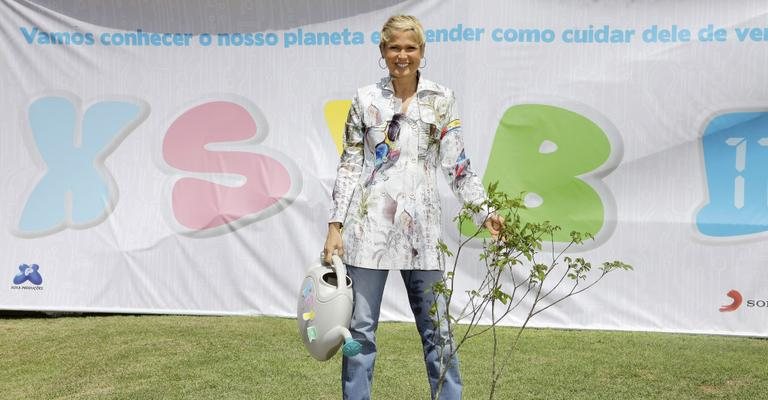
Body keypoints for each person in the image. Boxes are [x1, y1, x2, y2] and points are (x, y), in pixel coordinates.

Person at [323, 14, 503, 400]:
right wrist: (335, 225)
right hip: (367, 229)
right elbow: (350, 165)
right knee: (360, 331)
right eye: (394, 48)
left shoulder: (442, 99)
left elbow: (458, 166)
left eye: (410, 47)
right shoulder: (364, 99)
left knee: (438, 330)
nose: (402, 55)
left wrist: (484, 210)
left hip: (422, 231)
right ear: (382, 52)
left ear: (422, 51)